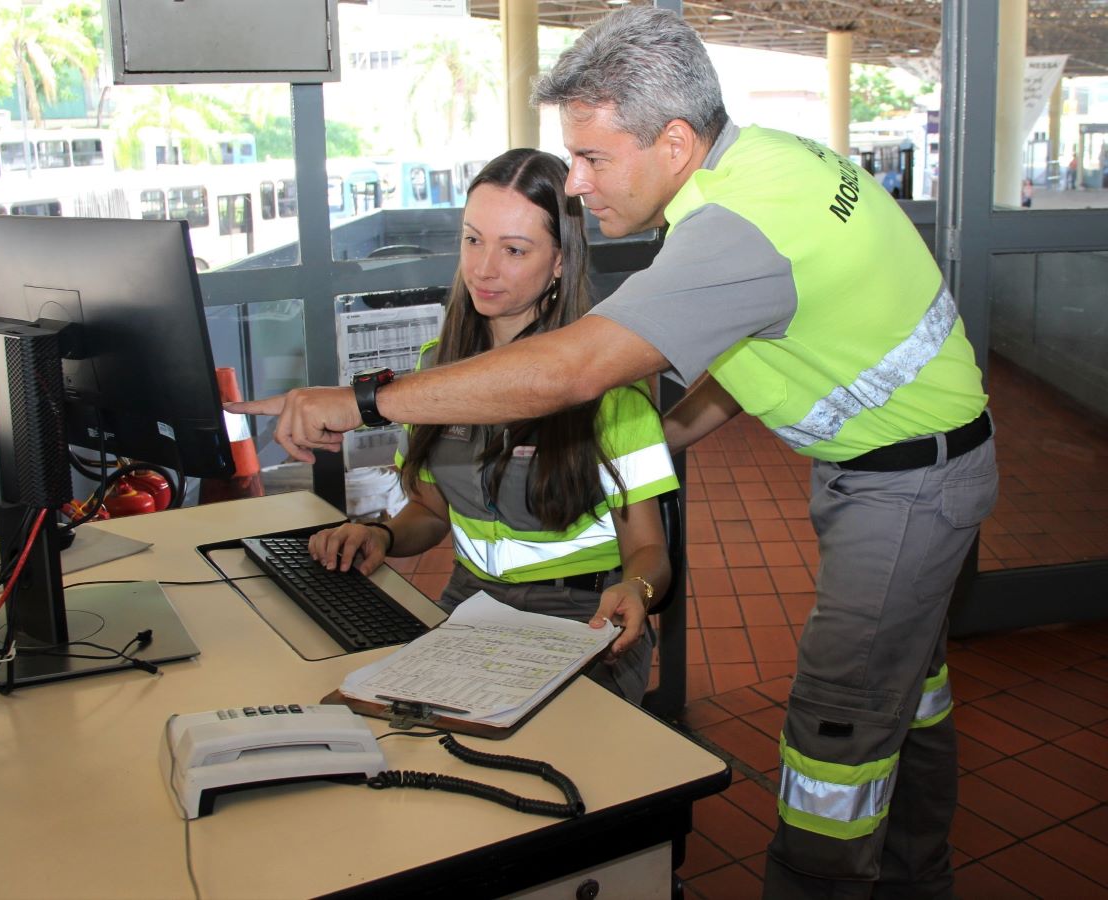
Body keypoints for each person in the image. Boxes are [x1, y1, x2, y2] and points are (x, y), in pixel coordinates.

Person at [229, 8, 998, 896]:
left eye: (594, 158)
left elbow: (578, 368)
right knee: (914, 697)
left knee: (837, 736)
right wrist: (656, 440)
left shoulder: (739, 225)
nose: (581, 184)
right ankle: (919, 878)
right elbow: (760, 351)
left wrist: (364, 399)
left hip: (905, 483)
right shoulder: (764, 167)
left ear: (674, 140)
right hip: (905, 461)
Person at [305, 148, 676, 704]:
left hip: (583, 620)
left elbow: (651, 554)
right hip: (471, 608)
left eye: (514, 250)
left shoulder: (609, 391)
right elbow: (431, 511)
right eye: (473, 240)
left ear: (559, 261)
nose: (483, 268)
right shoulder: (433, 374)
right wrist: (380, 533)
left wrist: (637, 589)